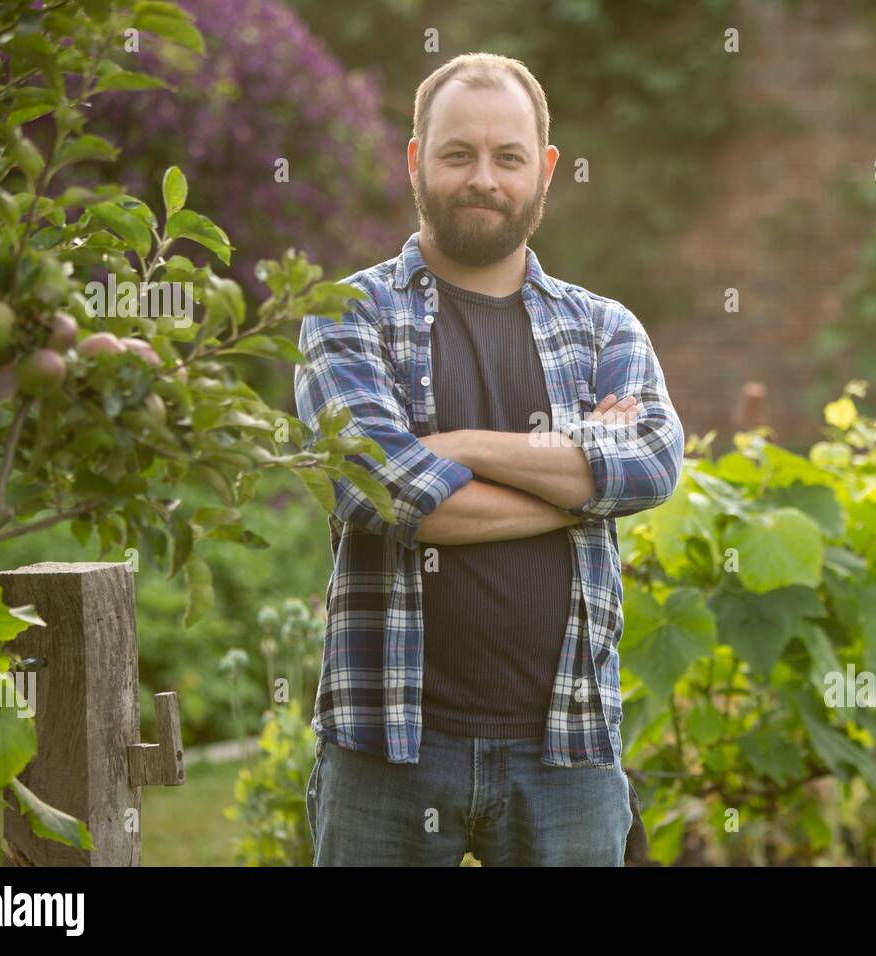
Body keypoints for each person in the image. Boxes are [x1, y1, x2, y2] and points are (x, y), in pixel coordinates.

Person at [294, 51, 684, 866]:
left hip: (567, 751)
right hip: (385, 749)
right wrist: (581, 483)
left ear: (543, 171)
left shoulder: (605, 328)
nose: (484, 178)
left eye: (508, 157)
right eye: (457, 153)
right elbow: (382, 491)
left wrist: (459, 449)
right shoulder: (346, 315)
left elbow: (649, 465)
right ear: (414, 161)